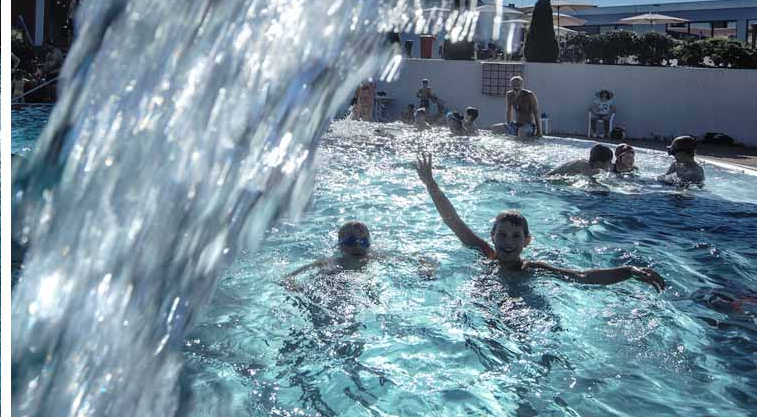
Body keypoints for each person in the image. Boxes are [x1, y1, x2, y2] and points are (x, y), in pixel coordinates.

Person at [414, 152, 666, 290]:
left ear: (527, 241)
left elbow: (582, 276)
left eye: (516, 236)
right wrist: (431, 184)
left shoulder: (532, 268)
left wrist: (628, 271)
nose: (508, 241)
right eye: (502, 234)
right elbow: (454, 222)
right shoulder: (486, 254)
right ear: (492, 236)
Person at [283, 221, 436, 283]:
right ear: (340, 245)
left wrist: (426, 269)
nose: (358, 247)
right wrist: (292, 285)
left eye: (363, 242)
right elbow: (289, 277)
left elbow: (410, 260)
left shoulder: (374, 257)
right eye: (351, 241)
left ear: (369, 244)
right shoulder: (331, 262)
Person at [546, 144, 614, 177]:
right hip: (547, 179)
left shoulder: (595, 169)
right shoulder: (583, 165)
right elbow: (592, 183)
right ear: (599, 163)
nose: (611, 163)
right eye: (609, 161)